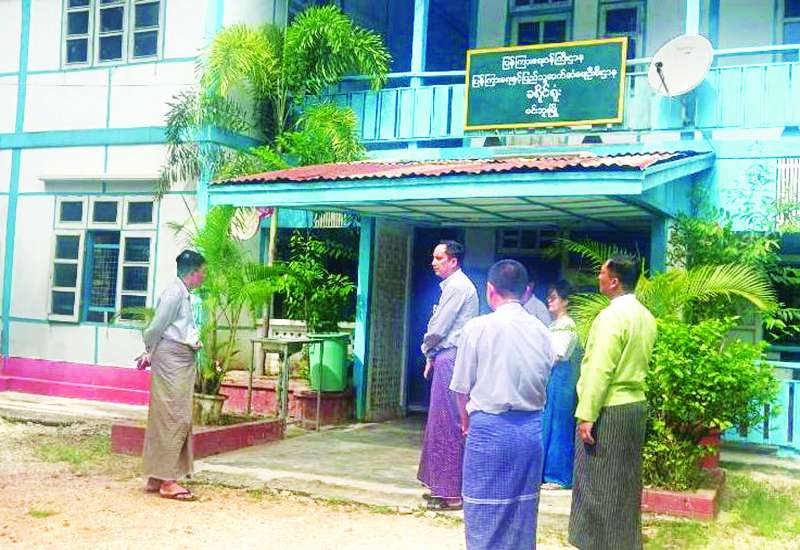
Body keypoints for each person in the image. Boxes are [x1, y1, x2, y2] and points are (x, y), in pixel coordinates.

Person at [451, 260, 555, 549]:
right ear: (525, 291)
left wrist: (466, 423)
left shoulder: (477, 328)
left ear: (490, 290)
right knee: (521, 515)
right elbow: (544, 376)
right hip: (530, 431)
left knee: (482, 510)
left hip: (488, 429)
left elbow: (461, 387)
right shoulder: (542, 330)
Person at [568, 256, 657, 549]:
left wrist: (587, 414)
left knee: (598, 484)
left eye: (602, 273)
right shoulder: (645, 316)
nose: (598, 277)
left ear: (615, 281)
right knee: (625, 484)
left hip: (609, 408)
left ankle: (599, 544)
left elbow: (600, 368)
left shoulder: (611, 317)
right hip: (635, 405)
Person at [138, 250, 206, 501]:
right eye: (202, 272)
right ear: (193, 273)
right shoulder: (174, 294)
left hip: (177, 359)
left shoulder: (183, 294)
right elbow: (156, 328)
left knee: (166, 415)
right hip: (172, 361)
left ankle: (157, 475)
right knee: (174, 417)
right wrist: (149, 351)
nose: (204, 277)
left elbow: (171, 328)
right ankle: (168, 480)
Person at [417, 240, 479, 510]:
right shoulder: (455, 286)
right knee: (440, 423)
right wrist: (432, 355)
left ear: (453, 261)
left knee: (449, 423)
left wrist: (426, 348)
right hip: (448, 357)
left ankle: (451, 493)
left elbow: (439, 328)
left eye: (439, 258)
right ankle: (442, 487)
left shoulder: (457, 287)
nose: (434, 263)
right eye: (434, 257)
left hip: (452, 357)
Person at [541, 280, 580, 490]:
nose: (550, 300)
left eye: (554, 297)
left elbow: (557, 354)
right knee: (548, 421)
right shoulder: (555, 324)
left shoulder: (567, 325)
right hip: (551, 376)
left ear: (565, 301)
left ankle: (558, 476)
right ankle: (545, 471)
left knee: (559, 423)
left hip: (560, 377)